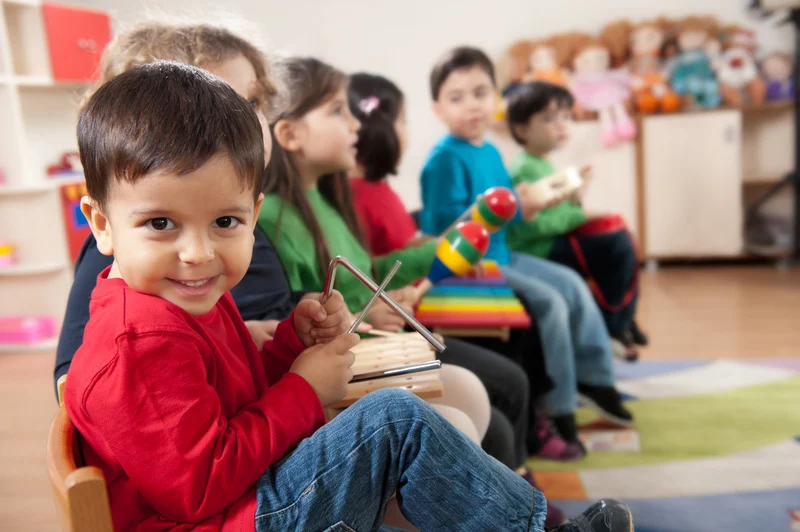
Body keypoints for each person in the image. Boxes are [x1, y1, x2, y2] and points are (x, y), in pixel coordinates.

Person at [65, 60, 633, 532]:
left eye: (225, 222)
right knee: (394, 420)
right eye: (161, 223)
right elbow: (199, 487)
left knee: (407, 418)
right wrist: (303, 388)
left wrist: (291, 344)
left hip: (244, 502)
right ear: (102, 223)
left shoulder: (177, 299)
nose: (198, 253)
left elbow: (233, 402)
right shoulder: (140, 340)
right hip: (227, 519)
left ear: (253, 216)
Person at [257, 56, 558, 501]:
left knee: (504, 380)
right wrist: (363, 311)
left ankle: (520, 493)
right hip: (363, 352)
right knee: (499, 393)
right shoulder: (276, 218)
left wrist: (435, 252)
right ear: (290, 134)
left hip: (383, 335)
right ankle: (516, 497)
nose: (356, 124)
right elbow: (303, 316)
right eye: (339, 110)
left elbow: (368, 272)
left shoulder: (325, 198)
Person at [348, 71, 583, 464]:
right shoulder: (363, 193)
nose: (408, 132)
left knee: (525, 325)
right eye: (404, 122)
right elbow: (382, 264)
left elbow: (410, 243)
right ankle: (530, 438)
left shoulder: (381, 189)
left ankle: (538, 422)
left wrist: (452, 239)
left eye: (479, 92)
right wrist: (450, 242)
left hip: (418, 291)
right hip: (408, 308)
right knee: (518, 336)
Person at [53, 22, 299, 393]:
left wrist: (282, 332)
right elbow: (74, 380)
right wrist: (303, 387)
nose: (247, 121)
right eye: (221, 103)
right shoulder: (126, 249)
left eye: (252, 103)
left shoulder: (224, 212)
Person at [418, 46, 633, 446]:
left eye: (481, 93)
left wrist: (541, 199)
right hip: (475, 265)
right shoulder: (444, 160)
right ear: (438, 109)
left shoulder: (491, 150)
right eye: (456, 97)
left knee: (571, 284)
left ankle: (595, 379)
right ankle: (559, 405)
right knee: (551, 302)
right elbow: (445, 231)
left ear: (496, 98)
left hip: (503, 254)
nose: (472, 106)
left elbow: (510, 209)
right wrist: (513, 205)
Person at [505, 81, 647, 359]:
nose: (561, 125)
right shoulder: (524, 168)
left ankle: (621, 318)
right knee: (617, 244)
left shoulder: (542, 163)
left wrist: (576, 197)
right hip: (537, 250)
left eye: (566, 117)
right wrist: (580, 213)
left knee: (620, 237)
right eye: (549, 118)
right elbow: (535, 226)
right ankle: (614, 324)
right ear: (522, 129)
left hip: (551, 242)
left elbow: (555, 213)